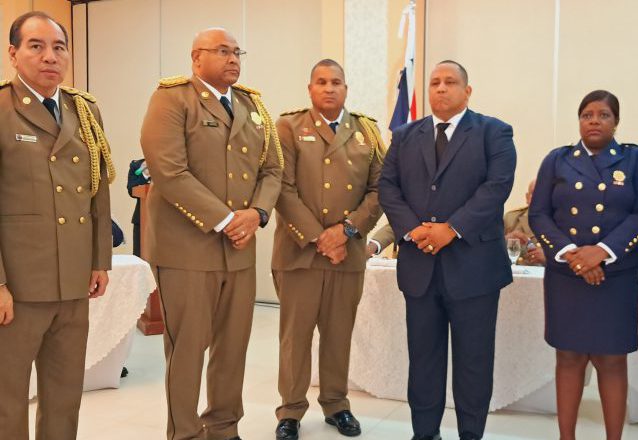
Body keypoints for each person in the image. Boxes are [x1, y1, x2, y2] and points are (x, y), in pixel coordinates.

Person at [140, 27, 283, 440]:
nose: (233, 58)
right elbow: (168, 170)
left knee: (233, 347)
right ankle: (185, 433)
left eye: (237, 51)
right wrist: (226, 220)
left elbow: (273, 168)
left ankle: (223, 427)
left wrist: (257, 213)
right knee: (187, 350)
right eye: (222, 51)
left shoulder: (252, 105)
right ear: (196, 57)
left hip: (239, 249)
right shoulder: (172, 99)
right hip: (187, 249)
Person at [378, 60, 516, 440]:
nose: (441, 88)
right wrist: (413, 229)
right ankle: (425, 434)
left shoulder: (494, 132)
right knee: (424, 362)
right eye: (435, 82)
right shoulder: (405, 136)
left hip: (475, 271)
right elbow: (387, 187)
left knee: (474, 364)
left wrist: (451, 229)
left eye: (450, 82)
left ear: (467, 91)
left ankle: (471, 434)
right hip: (420, 268)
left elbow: (497, 187)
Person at [0, 11, 113, 439]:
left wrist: (100, 260)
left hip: (73, 281)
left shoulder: (84, 110)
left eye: (59, 47)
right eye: (37, 46)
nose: (50, 56)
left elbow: (98, 189)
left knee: (65, 396)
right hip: (18, 288)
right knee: (7, 399)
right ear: (13, 53)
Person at [529, 90, 638, 440]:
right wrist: (573, 254)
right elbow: (539, 214)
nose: (594, 121)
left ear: (617, 121)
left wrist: (602, 252)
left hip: (615, 276)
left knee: (612, 359)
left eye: (603, 115)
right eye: (587, 115)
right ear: (579, 121)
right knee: (568, 357)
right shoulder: (557, 160)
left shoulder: (634, 160)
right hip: (566, 275)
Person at [271, 59, 384, 440]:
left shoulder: (367, 131)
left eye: (336, 82)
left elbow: (380, 189)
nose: (329, 88)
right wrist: (321, 238)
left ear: (346, 89)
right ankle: (290, 411)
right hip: (299, 253)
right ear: (310, 89)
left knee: (338, 335)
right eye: (321, 82)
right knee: (295, 338)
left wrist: (346, 232)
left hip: (347, 253)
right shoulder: (288, 127)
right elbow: (282, 189)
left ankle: (336, 404)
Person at [503, 179, 545, 265]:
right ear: (527, 197)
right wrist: (505, 240)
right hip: (514, 272)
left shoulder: (562, 222)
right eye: (534, 193)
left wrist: (550, 258)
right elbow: (489, 250)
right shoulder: (510, 218)